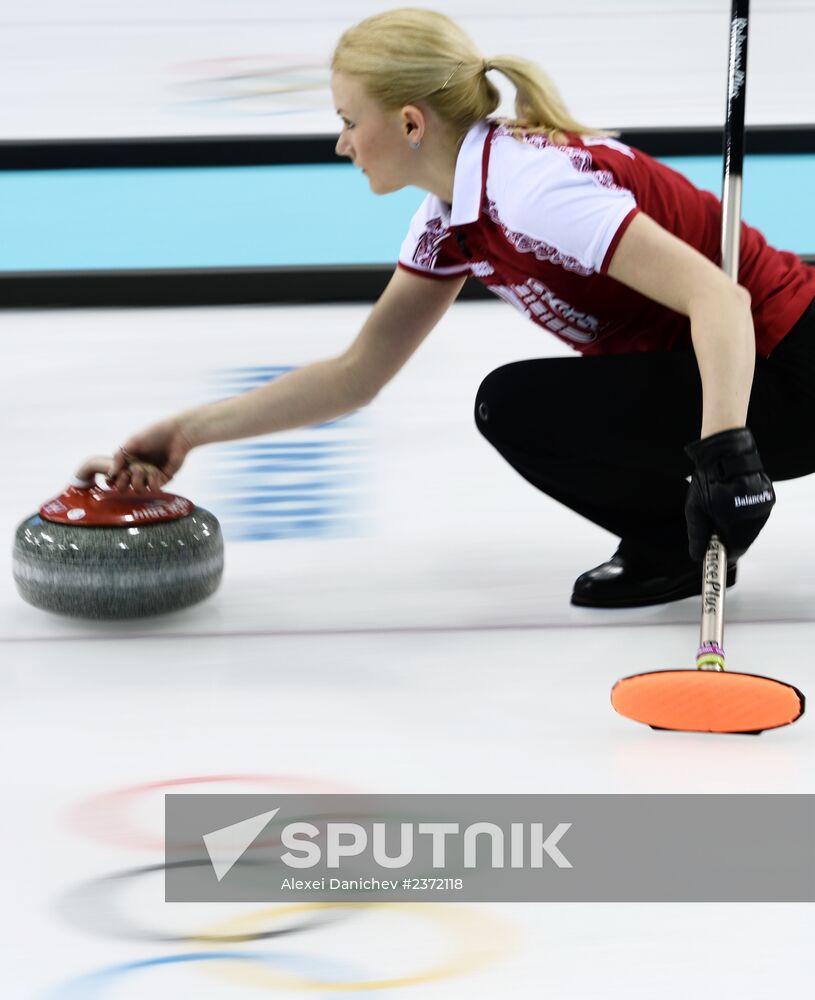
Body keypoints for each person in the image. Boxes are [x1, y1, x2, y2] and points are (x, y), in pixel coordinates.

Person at [106, 7, 815, 609]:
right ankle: (671, 542)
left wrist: (727, 458)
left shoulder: (533, 188)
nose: (341, 142)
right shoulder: (453, 216)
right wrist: (186, 431)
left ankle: (678, 527)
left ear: (410, 123)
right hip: (718, 370)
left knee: (517, 402)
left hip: (786, 360)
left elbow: (717, 299)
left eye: (350, 120)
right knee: (513, 408)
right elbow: (356, 373)